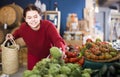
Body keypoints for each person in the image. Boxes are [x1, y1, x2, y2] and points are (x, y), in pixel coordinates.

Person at [6, 4, 66, 70]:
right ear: (25, 19)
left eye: (35, 17)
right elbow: (16, 33)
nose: (33, 20)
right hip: (32, 56)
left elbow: (57, 39)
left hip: (49, 56)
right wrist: (11, 36)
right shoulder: (23, 27)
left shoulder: (48, 26)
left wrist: (61, 50)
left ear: (40, 17)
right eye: (29, 18)